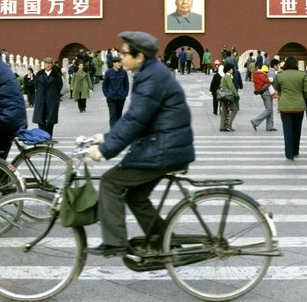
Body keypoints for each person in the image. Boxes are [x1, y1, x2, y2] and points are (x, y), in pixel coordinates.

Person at [85, 31, 195, 256]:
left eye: (125, 53)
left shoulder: (151, 77)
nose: (120, 57)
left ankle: (115, 242)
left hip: (163, 148)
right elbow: (133, 117)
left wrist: (105, 150)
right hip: (165, 145)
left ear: (140, 56)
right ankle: (166, 242)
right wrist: (107, 137)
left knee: (110, 182)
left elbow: (136, 120)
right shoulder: (149, 73)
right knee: (135, 196)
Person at [274, 56, 307, 160]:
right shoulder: (302, 74)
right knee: (297, 129)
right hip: (299, 107)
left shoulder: (280, 75)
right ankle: (295, 150)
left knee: (287, 130)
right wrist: (303, 98)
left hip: (285, 107)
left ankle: (289, 154)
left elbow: (276, 87)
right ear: (296, 64)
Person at [32, 57, 62, 135]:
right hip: (41, 99)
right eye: (46, 63)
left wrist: (53, 93)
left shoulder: (56, 75)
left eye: (49, 64)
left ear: (52, 65)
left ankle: (48, 135)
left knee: (50, 119)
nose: (47, 65)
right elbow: (35, 85)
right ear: (44, 64)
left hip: (52, 99)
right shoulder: (39, 74)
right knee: (40, 118)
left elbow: (60, 86)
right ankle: (42, 135)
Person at [102, 55, 129, 128]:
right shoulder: (108, 72)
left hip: (121, 96)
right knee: (113, 114)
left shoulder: (123, 72)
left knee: (119, 114)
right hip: (111, 97)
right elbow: (105, 84)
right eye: (118, 62)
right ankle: (113, 132)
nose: (120, 64)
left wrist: (125, 93)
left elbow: (126, 84)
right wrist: (106, 94)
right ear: (114, 63)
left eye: (120, 62)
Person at [250, 64, 276, 132]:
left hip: (264, 94)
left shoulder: (258, 75)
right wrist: (270, 82)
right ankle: (255, 121)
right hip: (266, 94)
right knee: (269, 110)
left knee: (270, 109)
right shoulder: (267, 74)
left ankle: (269, 126)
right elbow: (266, 84)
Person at [218, 63, 239, 132]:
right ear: (229, 70)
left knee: (224, 111)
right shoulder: (228, 77)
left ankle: (222, 126)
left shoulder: (224, 76)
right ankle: (228, 125)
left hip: (223, 95)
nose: (233, 70)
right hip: (228, 96)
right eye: (232, 69)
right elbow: (231, 87)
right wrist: (236, 94)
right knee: (234, 109)